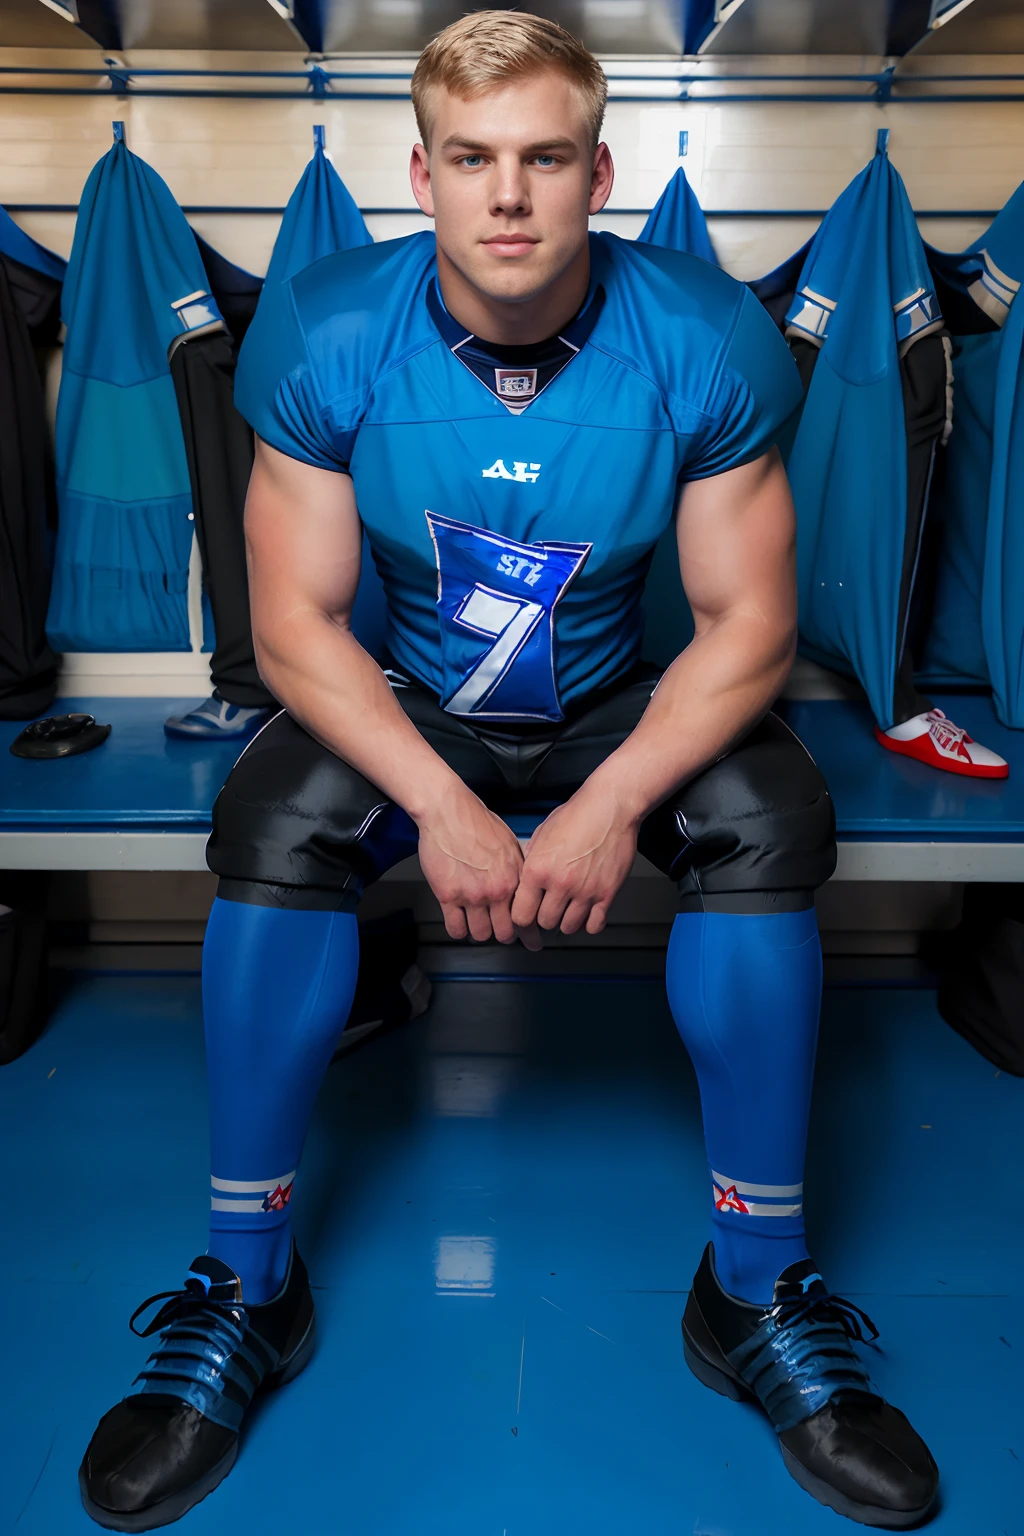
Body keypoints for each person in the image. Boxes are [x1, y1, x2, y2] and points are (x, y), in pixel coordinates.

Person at [78, 13, 939, 1531]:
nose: (511, 196)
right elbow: (292, 626)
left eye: (546, 157)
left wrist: (606, 802)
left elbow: (749, 628)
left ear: (601, 170)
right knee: (267, 819)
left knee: (769, 814)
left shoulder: (706, 333)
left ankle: (753, 1288)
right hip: (415, 697)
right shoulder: (330, 328)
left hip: (618, 695)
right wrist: (440, 802)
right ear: (420, 173)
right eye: (473, 159)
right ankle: (248, 1281)